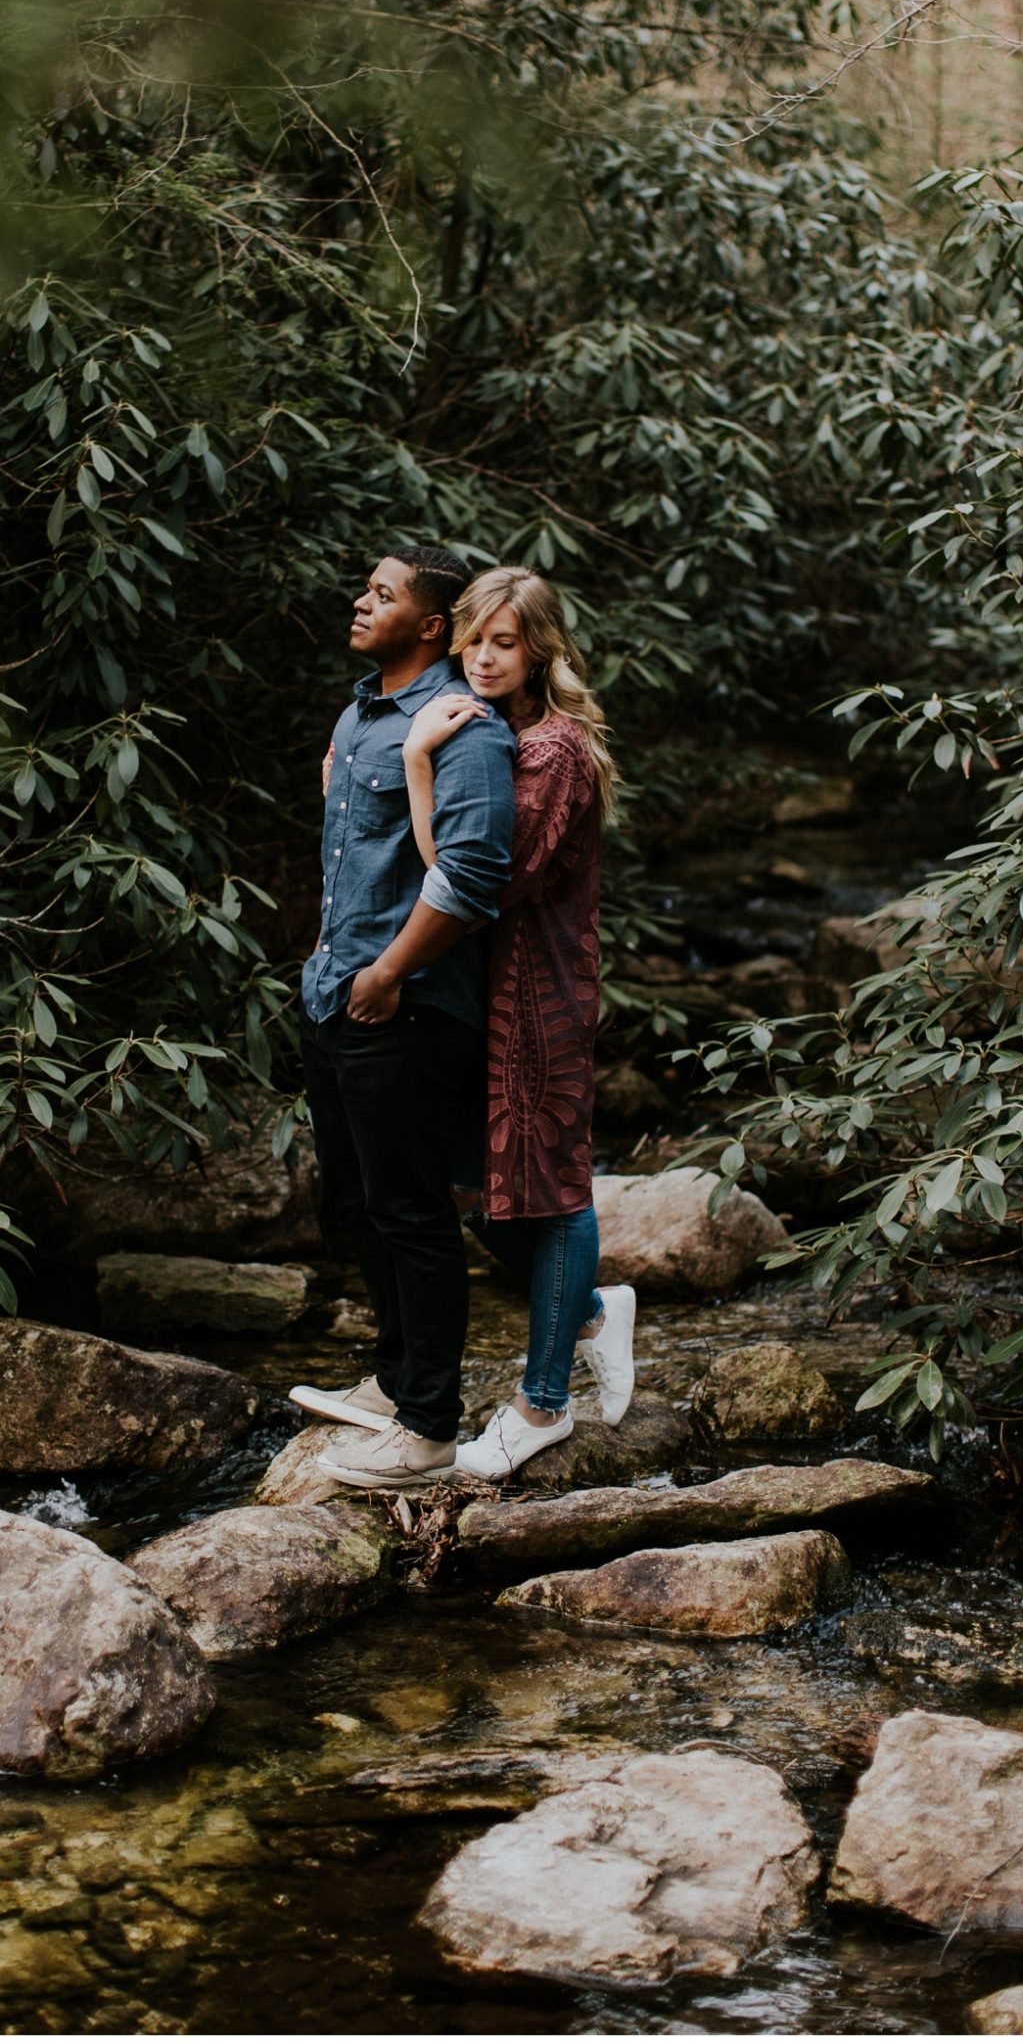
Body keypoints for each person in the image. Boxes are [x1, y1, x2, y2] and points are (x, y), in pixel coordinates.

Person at [289, 546, 518, 1492]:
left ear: (430, 625)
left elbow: (471, 877)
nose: (360, 600)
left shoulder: (466, 730)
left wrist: (387, 973)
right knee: (355, 1205)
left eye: (382, 595)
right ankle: (392, 1385)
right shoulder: (361, 711)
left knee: (413, 1215)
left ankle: (427, 1430)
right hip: (335, 993)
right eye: (366, 587)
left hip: (407, 1005)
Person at [403, 565, 635, 1479]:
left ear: (540, 650)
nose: (485, 657)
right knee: (468, 1186)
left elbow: (474, 883)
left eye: (505, 642)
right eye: (474, 638)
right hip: (476, 997)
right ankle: (585, 1311)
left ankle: (542, 1404)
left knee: (552, 1189)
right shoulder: (489, 730)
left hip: (538, 995)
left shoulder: (550, 752)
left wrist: (419, 764)